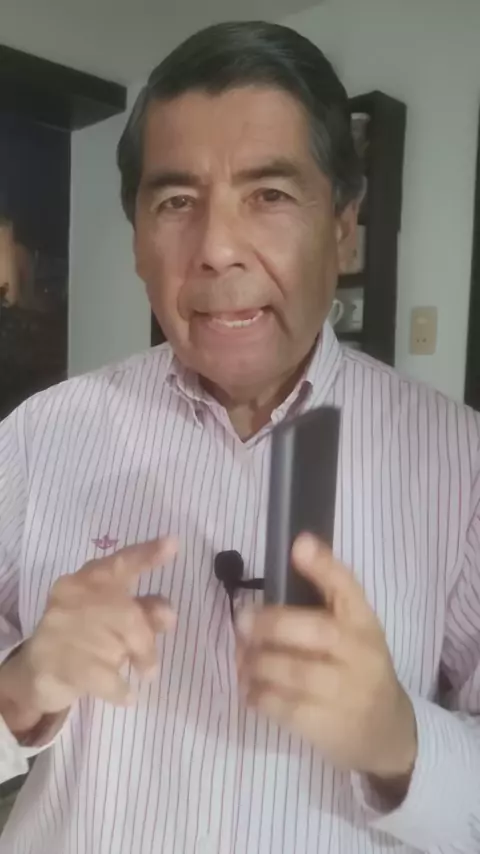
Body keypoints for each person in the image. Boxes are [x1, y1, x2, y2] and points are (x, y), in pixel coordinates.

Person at [0, 20, 478, 854]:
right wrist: (20, 687)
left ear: (344, 226)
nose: (217, 249)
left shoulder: (462, 463)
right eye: (176, 203)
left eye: (271, 196)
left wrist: (398, 738)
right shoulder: (38, 437)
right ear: (137, 243)